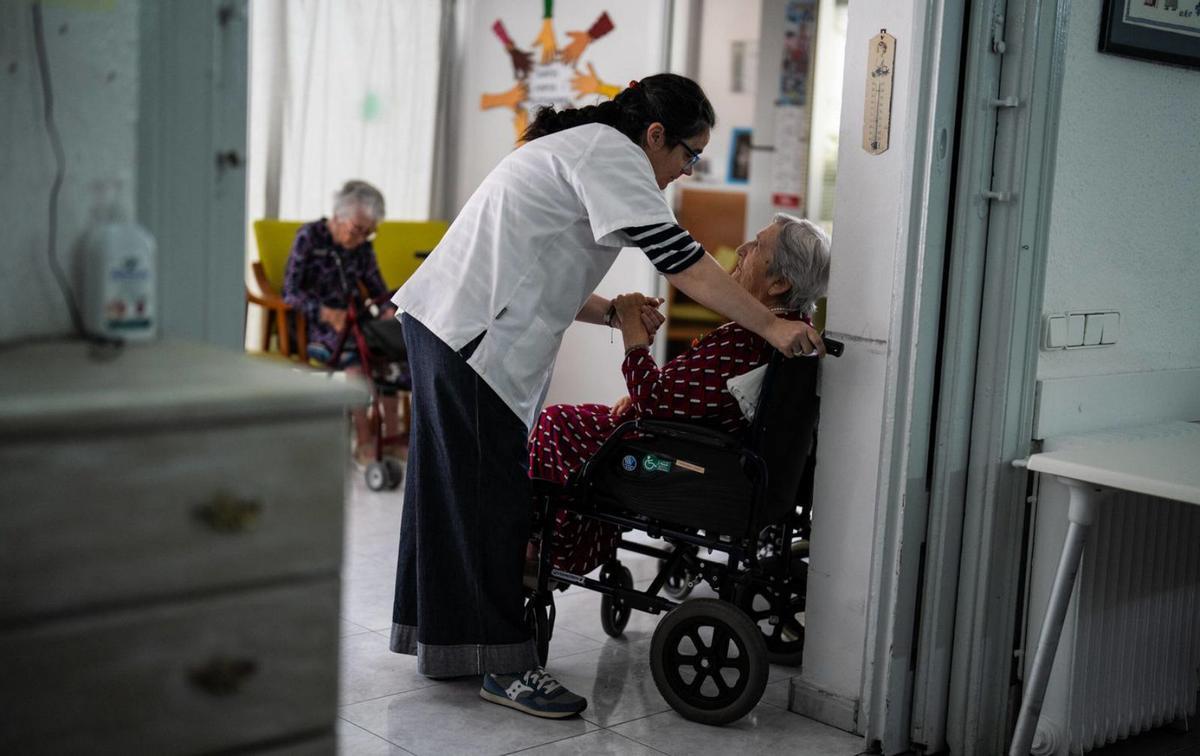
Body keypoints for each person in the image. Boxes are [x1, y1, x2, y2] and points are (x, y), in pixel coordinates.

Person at [388, 73, 825, 720]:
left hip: (449, 321)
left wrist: (614, 313)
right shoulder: (612, 153)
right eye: (688, 155)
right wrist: (769, 323)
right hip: (469, 332)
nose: (687, 170)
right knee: (490, 498)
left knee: (452, 489)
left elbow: (539, 266)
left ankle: (449, 644)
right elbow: (680, 256)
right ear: (655, 136)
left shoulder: (586, 148)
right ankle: (504, 666)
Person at [531, 214, 831, 576]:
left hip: (672, 456)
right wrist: (646, 395)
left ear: (779, 282)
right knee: (589, 424)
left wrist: (633, 338)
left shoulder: (746, 341)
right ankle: (572, 545)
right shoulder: (792, 334)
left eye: (756, 246)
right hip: (693, 443)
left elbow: (656, 401)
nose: (742, 248)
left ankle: (545, 551)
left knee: (556, 422)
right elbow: (690, 398)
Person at [282, 180, 403, 464]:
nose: (362, 239)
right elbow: (290, 293)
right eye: (358, 230)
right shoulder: (309, 237)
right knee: (356, 358)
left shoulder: (362, 248)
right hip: (314, 327)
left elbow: (377, 288)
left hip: (355, 323)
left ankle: (392, 439)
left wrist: (387, 310)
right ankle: (363, 441)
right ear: (338, 216)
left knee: (393, 350)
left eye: (369, 233)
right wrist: (325, 312)